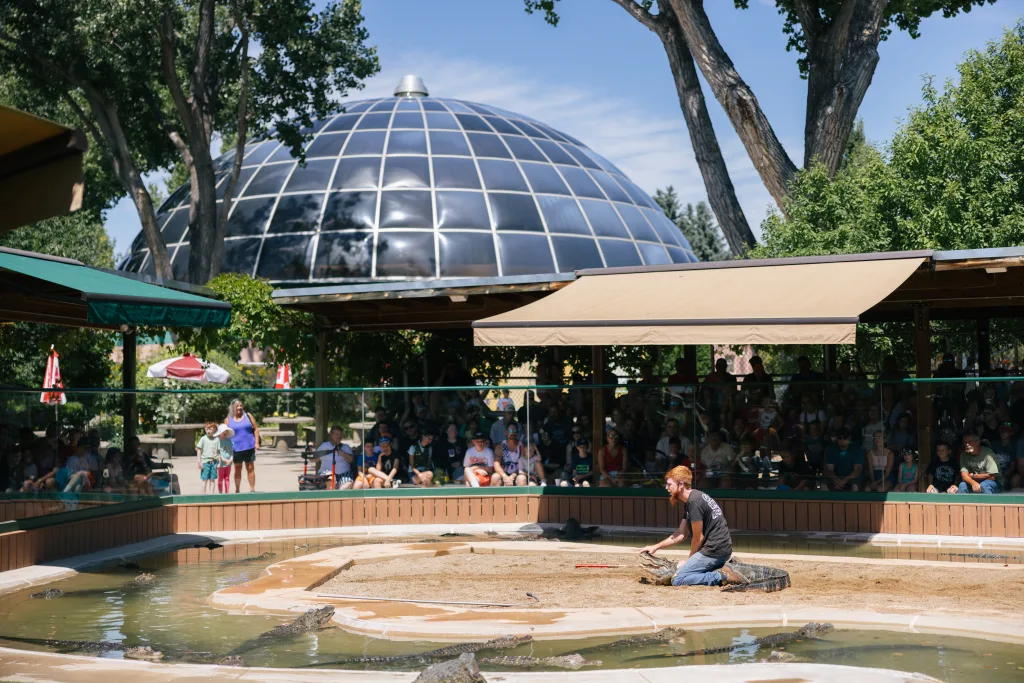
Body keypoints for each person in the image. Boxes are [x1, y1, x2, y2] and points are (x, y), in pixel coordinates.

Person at [639, 466, 744, 586]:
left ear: (681, 484)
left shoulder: (694, 502)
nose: (667, 488)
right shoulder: (691, 500)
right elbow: (681, 533)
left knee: (678, 579)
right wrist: (655, 547)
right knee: (683, 572)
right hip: (717, 549)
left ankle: (721, 576)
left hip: (715, 550)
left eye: (669, 484)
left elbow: (698, 538)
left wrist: (689, 561)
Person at [226, 399, 260, 493]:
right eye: (237, 406)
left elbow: (256, 429)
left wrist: (256, 443)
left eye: (241, 406)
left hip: (249, 447)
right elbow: (225, 435)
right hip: (236, 449)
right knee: (237, 469)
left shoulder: (248, 416)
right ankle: (237, 490)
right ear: (233, 407)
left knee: (250, 468)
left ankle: (252, 490)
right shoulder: (228, 419)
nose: (239, 408)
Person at [824, 427, 863, 491]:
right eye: (839, 438)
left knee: (855, 487)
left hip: (853, 478)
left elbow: (858, 470)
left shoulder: (857, 449)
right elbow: (829, 469)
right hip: (836, 477)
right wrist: (835, 480)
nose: (842, 440)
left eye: (845, 437)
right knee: (823, 486)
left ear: (849, 438)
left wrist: (845, 480)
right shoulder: (831, 449)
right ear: (836, 438)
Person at [317, 425, 354, 490]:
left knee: (349, 484)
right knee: (331, 479)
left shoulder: (346, 447)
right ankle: (332, 496)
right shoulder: (324, 445)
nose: (339, 436)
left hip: (344, 474)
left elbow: (351, 460)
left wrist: (342, 453)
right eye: (336, 434)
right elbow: (314, 459)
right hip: (328, 473)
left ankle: (338, 494)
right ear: (331, 435)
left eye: (340, 434)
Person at [196, 421, 221, 495]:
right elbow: (199, 450)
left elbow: (218, 452)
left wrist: (219, 462)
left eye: (210, 429)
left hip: (214, 462)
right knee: (204, 479)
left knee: (212, 479)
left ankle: (211, 495)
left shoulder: (217, 440)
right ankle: (203, 495)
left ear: (214, 430)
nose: (208, 431)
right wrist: (199, 461)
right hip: (205, 462)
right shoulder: (203, 439)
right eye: (207, 429)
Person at [215, 424, 234, 493]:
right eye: (224, 432)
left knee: (227, 478)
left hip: (229, 463)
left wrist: (231, 459)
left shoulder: (229, 441)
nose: (225, 434)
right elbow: (217, 452)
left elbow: (231, 451)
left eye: (226, 432)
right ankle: (220, 492)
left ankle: (227, 492)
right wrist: (223, 459)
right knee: (220, 478)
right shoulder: (217, 441)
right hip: (221, 463)